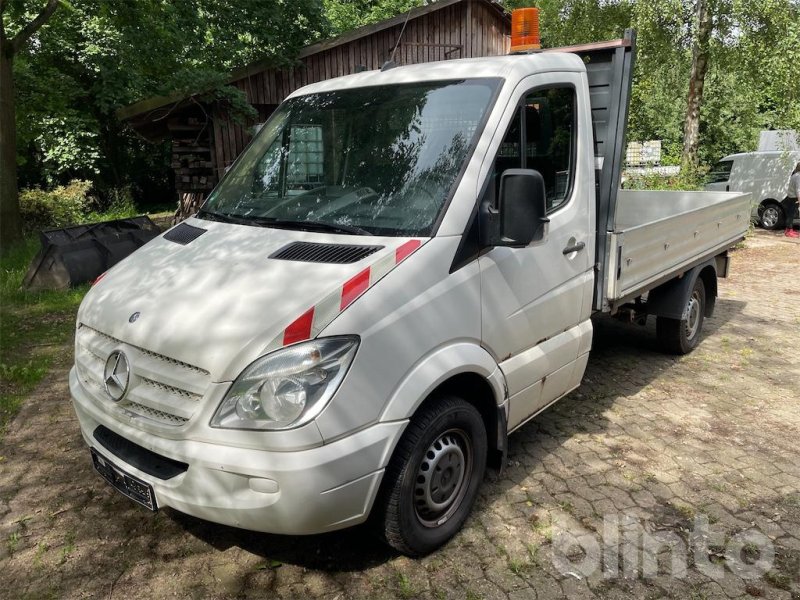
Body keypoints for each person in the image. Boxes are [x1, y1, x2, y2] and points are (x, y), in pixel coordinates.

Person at [785, 162, 800, 238]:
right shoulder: (798, 176)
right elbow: (798, 189)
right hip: (794, 198)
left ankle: (789, 230)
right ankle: (789, 232)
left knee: (791, 214)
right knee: (791, 215)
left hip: (791, 197)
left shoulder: (795, 175)